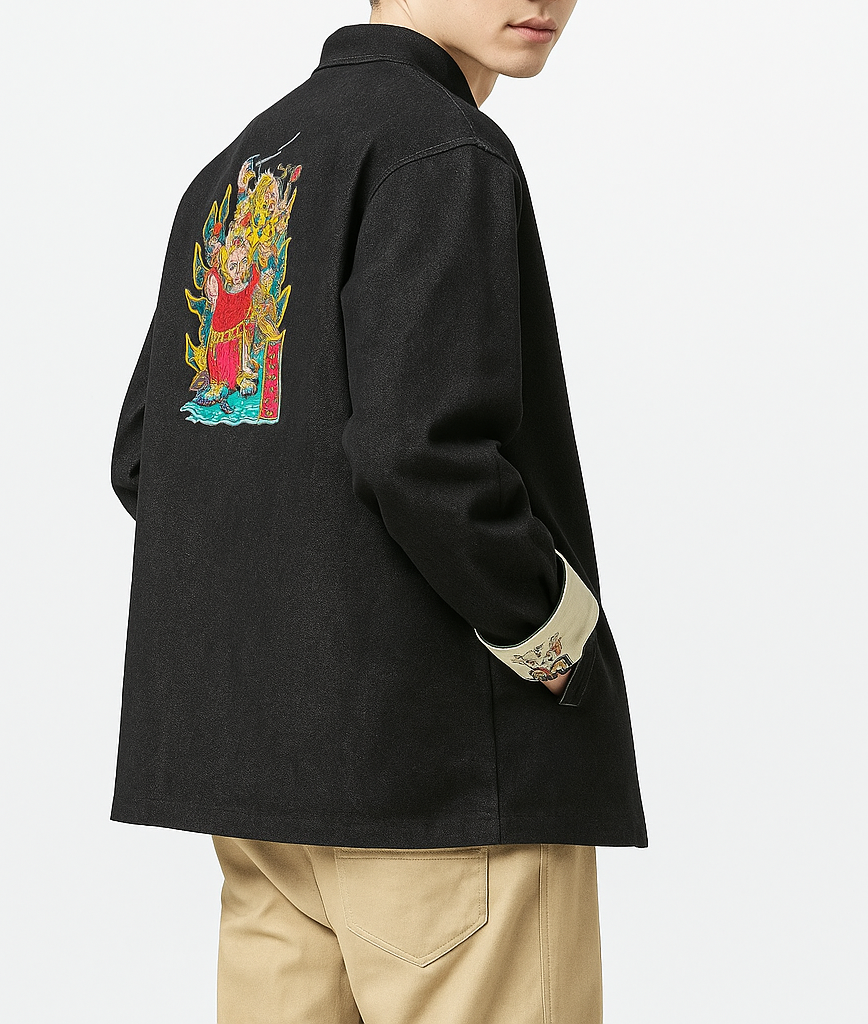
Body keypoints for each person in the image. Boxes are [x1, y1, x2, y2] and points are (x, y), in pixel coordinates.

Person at [109, 2, 647, 1021]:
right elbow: (420, 454)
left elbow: (152, 454)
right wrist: (556, 636)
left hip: (265, 805)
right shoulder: (444, 150)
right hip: (443, 790)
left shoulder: (242, 166)